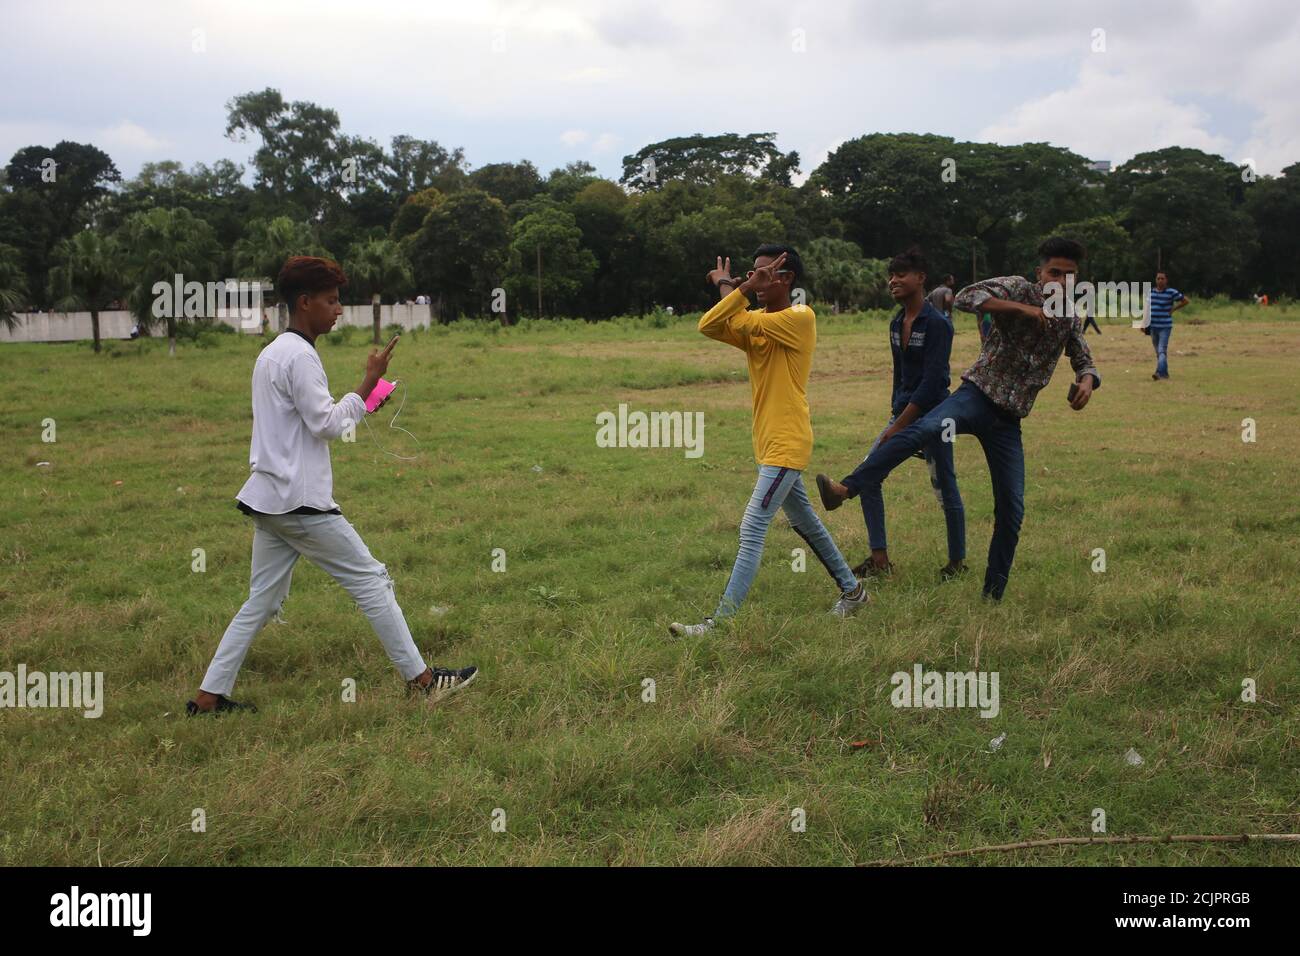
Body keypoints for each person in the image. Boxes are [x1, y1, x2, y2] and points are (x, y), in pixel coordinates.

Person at [189, 256, 477, 714]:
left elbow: (310, 419)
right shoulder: (300, 355)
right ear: (304, 303)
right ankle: (424, 682)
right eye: (331, 300)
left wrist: (360, 402)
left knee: (262, 601)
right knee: (373, 581)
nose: (339, 309)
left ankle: (208, 697)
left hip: (270, 497)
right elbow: (325, 423)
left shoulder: (273, 352)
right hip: (299, 503)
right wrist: (367, 383)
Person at [815, 237, 1100, 602]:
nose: (1060, 282)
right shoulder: (1017, 287)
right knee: (927, 427)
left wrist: (1087, 383)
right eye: (1054, 273)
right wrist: (1022, 310)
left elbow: (1084, 361)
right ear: (1039, 273)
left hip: (1008, 421)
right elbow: (967, 297)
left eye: (1070, 276)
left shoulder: (1069, 318)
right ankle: (845, 489)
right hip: (975, 396)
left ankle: (991, 596)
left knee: (1011, 509)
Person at [668, 245, 868, 637]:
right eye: (751, 273)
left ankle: (718, 624)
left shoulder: (800, 318)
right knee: (807, 523)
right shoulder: (756, 321)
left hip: (786, 444)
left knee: (752, 526)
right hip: (769, 442)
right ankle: (854, 592)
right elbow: (708, 325)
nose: (755, 281)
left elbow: (735, 316)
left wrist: (731, 286)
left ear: (787, 278)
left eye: (764, 274)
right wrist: (733, 287)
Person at [853, 247, 966, 582]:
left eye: (901, 274)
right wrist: (895, 415)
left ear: (921, 279)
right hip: (902, 414)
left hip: (935, 417)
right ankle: (879, 559)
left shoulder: (938, 325)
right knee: (868, 475)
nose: (893, 281)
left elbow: (933, 384)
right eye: (891, 275)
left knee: (945, 485)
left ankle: (957, 562)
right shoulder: (896, 323)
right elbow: (899, 374)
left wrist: (899, 426)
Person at [1146, 271, 1188, 380]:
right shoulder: (1150, 292)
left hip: (1165, 326)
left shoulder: (1171, 292)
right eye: (1158, 278)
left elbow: (1185, 301)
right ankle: (1165, 373)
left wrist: (1173, 309)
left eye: (1162, 278)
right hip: (1153, 327)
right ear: (1155, 280)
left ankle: (1159, 373)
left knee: (1161, 350)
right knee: (1158, 352)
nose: (1160, 280)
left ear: (1166, 280)